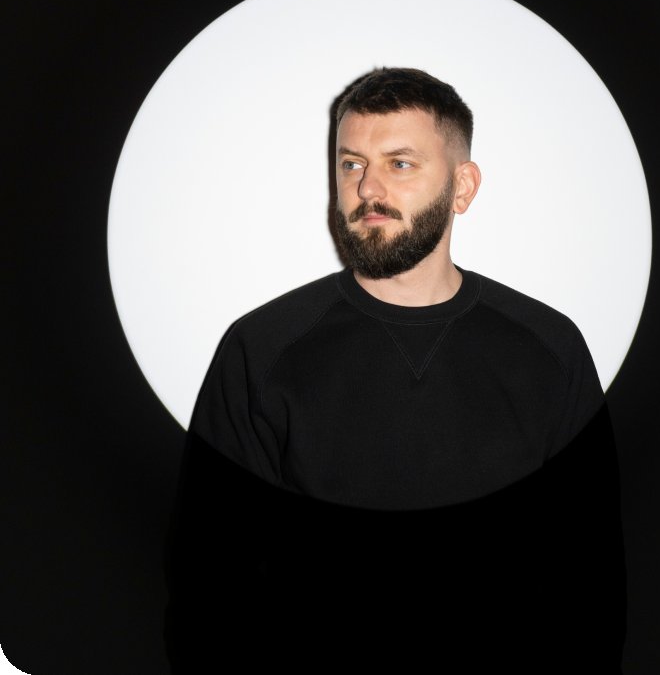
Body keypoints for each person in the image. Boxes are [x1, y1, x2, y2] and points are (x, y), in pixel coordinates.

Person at [164, 68, 626, 670]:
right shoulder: (262, 349)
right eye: (351, 164)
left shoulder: (548, 350)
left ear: (462, 187)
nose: (367, 188)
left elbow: (591, 583)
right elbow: (207, 586)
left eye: (400, 164)